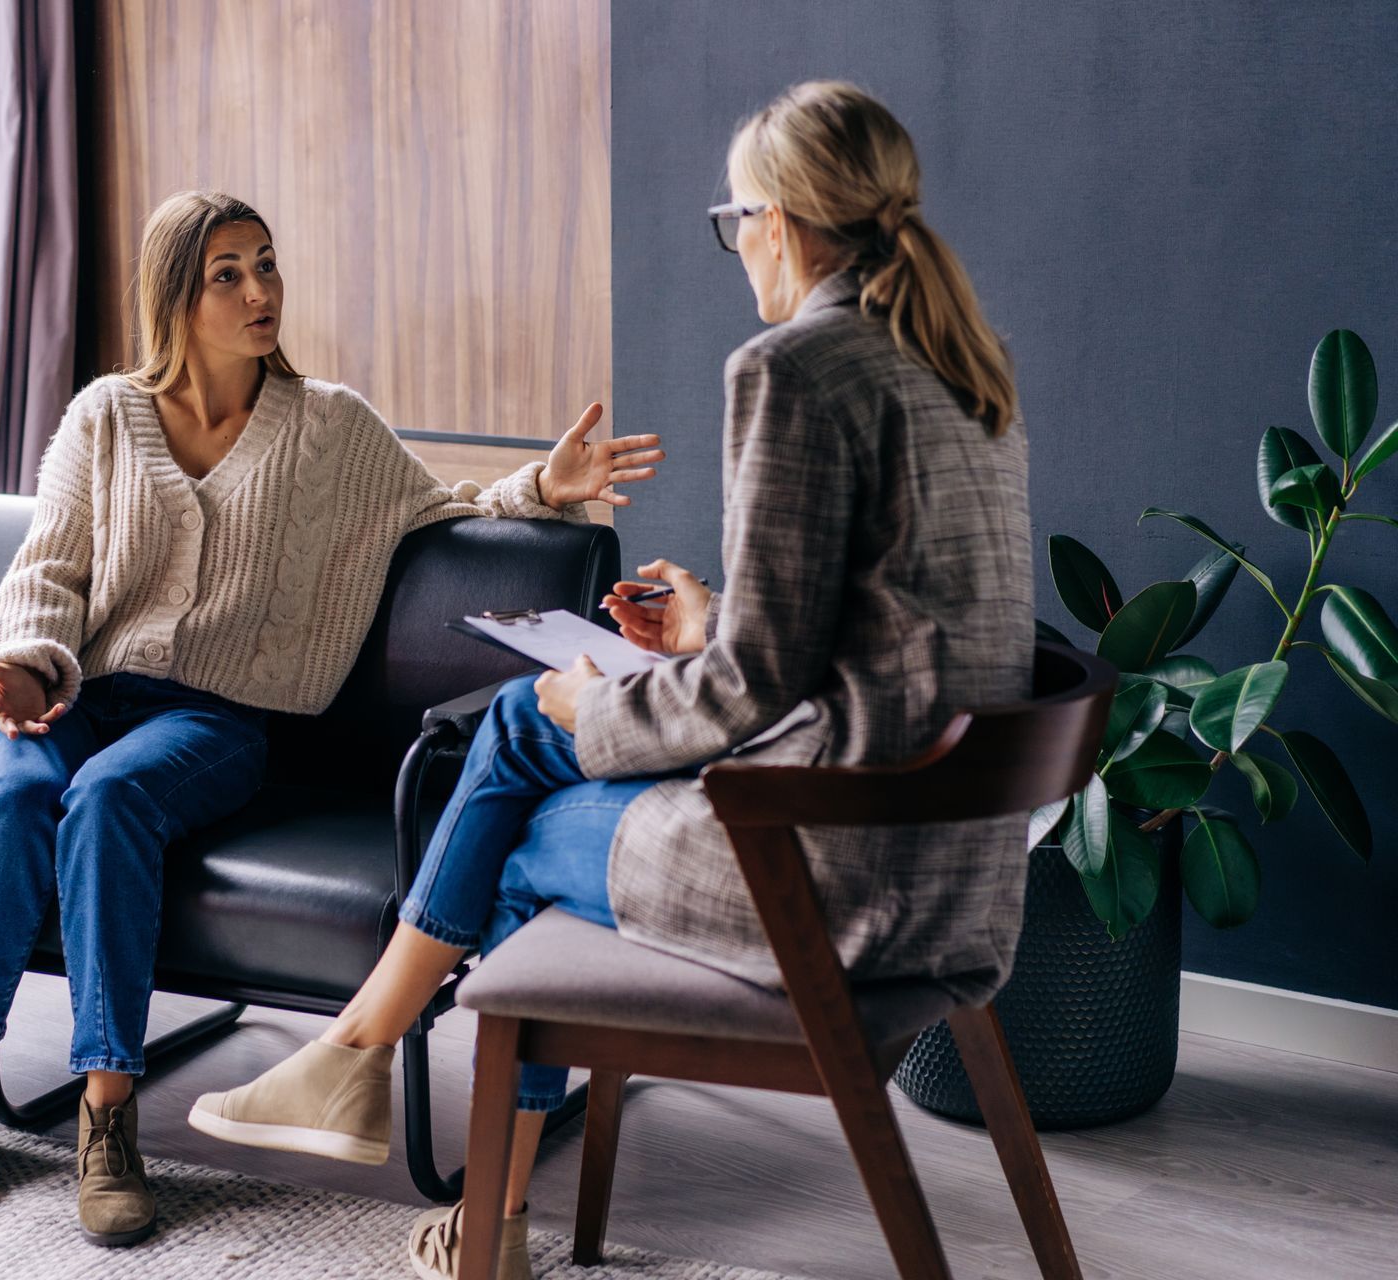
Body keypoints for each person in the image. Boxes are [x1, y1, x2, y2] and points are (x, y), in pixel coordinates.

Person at [191, 80, 1033, 1280]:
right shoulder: (961, 366)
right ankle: (391, 1094)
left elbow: (747, 698)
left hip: (829, 879)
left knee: (526, 799)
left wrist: (609, 701)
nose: (737, 246)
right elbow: (878, 636)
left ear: (781, 223)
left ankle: (421, 1135)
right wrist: (710, 624)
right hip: (949, 869)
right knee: (530, 741)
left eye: (735, 220)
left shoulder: (794, 367)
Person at [0, 190, 666, 1245]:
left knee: (109, 800)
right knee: (10, 795)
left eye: (266, 264)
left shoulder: (326, 427)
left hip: (211, 718)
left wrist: (548, 482)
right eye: (229, 273)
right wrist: (28, 671)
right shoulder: (103, 416)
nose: (261, 290)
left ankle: (108, 1115)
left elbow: (435, 504)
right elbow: (50, 571)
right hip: (71, 686)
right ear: (176, 293)